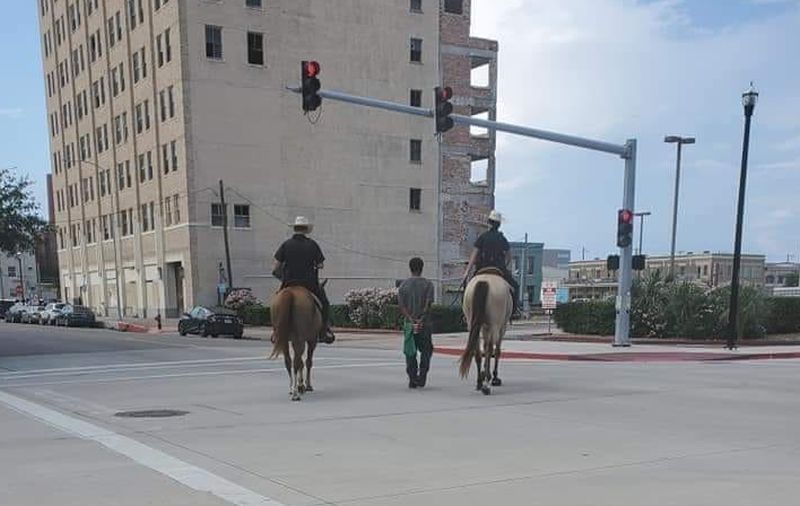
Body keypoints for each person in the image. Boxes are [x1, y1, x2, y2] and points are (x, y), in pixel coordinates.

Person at [272, 216, 335, 343]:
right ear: (306, 230)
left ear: (294, 228)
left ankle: (276, 332)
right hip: (309, 284)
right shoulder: (312, 245)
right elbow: (321, 264)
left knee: (276, 303)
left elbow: (276, 267)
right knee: (325, 303)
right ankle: (324, 331)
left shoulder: (286, 244)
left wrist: (282, 276)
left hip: (288, 283)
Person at [462, 210, 521, 318]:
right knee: (516, 287)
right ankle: (513, 311)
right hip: (499, 269)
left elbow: (473, 256)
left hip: (482, 269)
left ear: (489, 222)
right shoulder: (502, 239)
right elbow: (509, 257)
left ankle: (466, 313)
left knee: (468, 288)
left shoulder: (482, 237)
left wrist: (467, 272)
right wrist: (504, 266)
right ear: (499, 225)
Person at [398, 257, 435, 389]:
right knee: (426, 350)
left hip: (409, 325)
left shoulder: (403, 286)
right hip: (425, 324)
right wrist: (421, 319)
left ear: (410, 268)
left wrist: (410, 319)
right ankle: (422, 375)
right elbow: (428, 304)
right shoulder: (428, 284)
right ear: (422, 267)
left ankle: (412, 378)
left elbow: (401, 306)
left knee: (410, 351)